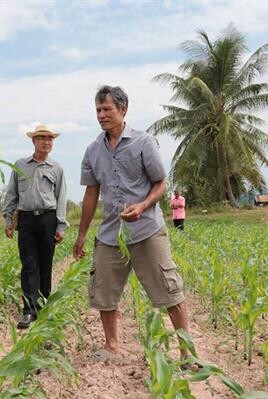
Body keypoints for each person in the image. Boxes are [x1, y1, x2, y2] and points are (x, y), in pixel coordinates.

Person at [73, 85, 192, 362]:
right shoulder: (92, 151)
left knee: (169, 289)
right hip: (111, 233)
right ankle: (111, 346)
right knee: (103, 290)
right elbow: (91, 194)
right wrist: (81, 235)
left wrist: (142, 205)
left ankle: (187, 353)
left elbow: (160, 184)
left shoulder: (143, 142)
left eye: (107, 109)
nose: (102, 115)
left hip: (146, 229)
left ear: (123, 109)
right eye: (98, 110)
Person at [3, 124, 67, 329]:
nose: (46, 142)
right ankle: (29, 311)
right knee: (29, 265)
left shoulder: (56, 168)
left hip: (48, 219)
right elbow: (11, 194)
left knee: (45, 265)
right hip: (27, 220)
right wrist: (8, 220)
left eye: (50, 139)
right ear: (34, 141)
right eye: (42, 138)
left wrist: (60, 226)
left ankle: (43, 308)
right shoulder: (20, 165)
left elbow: (61, 198)